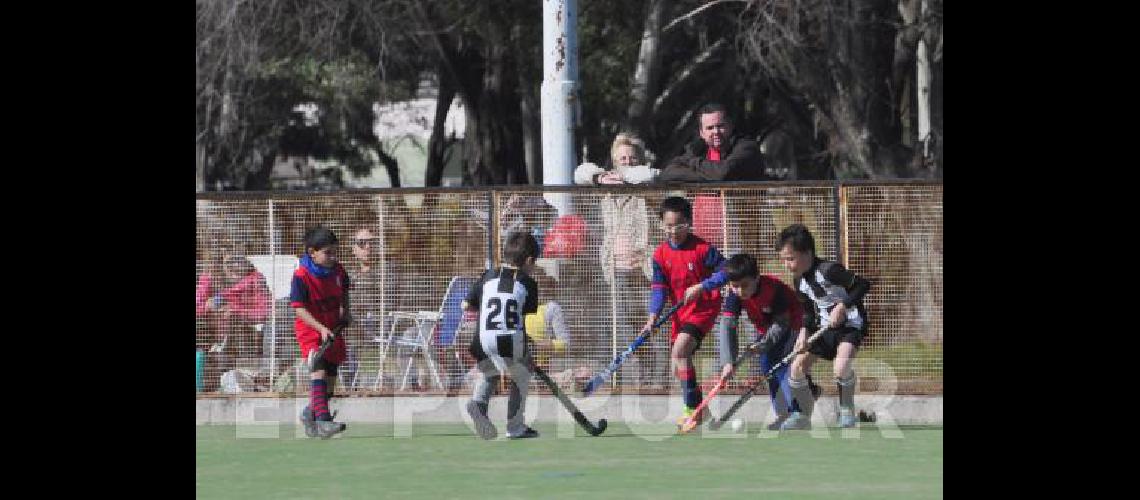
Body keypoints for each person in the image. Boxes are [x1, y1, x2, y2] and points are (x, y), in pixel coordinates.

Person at [577, 134, 665, 388]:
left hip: (643, 269)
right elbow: (580, 172)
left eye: (631, 158)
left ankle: (656, 377)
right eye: (621, 159)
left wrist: (629, 174)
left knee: (648, 324)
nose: (626, 162)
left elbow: (652, 176)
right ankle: (626, 376)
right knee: (620, 325)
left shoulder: (647, 183)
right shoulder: (607, 185)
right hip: (615, 268)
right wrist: (601, 177)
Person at [644, 196, 730, 429]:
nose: (673, 231)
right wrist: (653, 315)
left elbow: (727, 271)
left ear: (689, 223)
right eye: (668, 226)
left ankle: (691, 410)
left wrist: (702, 287)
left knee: (680, 351)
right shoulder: (660, 255)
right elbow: (659, 289)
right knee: (678, 364)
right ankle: (705, 413)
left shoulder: (703, 249)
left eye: (679, 225)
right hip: (680, 313)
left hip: (703, 308)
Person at [777, 224, 871, 429]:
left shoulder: (829, 271)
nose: (786, 264)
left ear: (807, 253)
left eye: (790, 258)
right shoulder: (799, 281)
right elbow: (809, 312)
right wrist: (803, 332)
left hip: (850, 326)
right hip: (824, 328)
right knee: (797, 367)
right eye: (783, 259)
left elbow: (863, 284)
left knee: (841, 366)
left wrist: (843, 306)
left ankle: (847, 411)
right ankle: (802, 416)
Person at [714, 253, 820, 430]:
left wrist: (762, 345)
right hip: (768, 331)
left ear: (756, 278)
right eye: (735, 286)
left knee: (781, 365)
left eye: (745, 285)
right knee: (767, 366)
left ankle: (797, 413)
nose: (740, 291)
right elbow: (728, 326)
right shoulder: (734, 296)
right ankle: (784, 413)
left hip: (794, 324)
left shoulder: (773, 290)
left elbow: (781, 324)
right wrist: (727, 362)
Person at [462, 231, 542, 440]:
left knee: (490, 370)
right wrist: (527, 352)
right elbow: (520, 318)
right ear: (529, 260)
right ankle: (515, 427)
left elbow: (466, 305)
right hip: (508, 339)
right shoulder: (528, 283)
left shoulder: (488, 275)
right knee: (521, 374)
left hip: (481, 339)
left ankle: (479, 403)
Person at [292, 226, 353, 439]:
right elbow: (299, 308)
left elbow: (344, 289)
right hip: (311, 330)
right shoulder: (301, 275)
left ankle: (310, 413)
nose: (332, 257)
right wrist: (320, 328)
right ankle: (324, 422)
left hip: (332, 328)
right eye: (328, 252)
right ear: (312, 253)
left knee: (330, 380)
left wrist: (345, 311)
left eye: (335, 252)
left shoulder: (338, 270)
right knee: (318, 370)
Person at [195, 247, 270, 392]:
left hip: (241, 334)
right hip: (212, 333)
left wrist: (236, 310)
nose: (232, 267)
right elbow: (198, 305)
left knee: (237, 325)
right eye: (228, 262)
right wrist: (207, 306)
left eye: (237, 261)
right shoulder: (211, 278)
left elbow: (264, 311)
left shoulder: (255, 279)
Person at [657, 103, 767, 182]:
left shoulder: (746, 148)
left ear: (730, 126)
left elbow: (722, 173)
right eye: (710, 128)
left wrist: (693, 163)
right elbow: (667, 173)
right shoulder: (697, 149)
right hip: (702, 214)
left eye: (720, 126)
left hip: (737, 214)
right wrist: (708, 177)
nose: (716, 132)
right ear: (702, 133)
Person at [574, 132, 660, 186]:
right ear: (615, 160)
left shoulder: (648, 181)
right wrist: (599, 177)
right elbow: (579, 173)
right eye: (623, 158)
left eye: (633, 158)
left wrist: (623, 176)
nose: (628, 162)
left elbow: (656, 174)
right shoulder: (607, 179)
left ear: (641, 159)